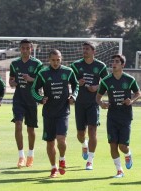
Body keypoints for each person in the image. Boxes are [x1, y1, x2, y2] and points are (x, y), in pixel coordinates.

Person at [31, 49, 79, 178]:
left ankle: (62, 158)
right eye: (53, 60)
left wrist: (73, 96)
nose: (56, 63)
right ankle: (53, 168)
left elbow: (76, 85)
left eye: (58, 60)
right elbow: (34, 89)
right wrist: (40, 98)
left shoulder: (68, 71)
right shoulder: (43, 73)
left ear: (61, 59)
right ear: (49, 60)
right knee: (50, 142)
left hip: (63, 111)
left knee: (61, 139)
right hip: (48, 113)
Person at [96, 54, 140, 178]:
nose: (113, 64)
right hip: (112, 117)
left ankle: (127, 154)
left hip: (125, 117)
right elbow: (98, 97)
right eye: (113, 61)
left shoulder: (129, 79)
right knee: (113, 144)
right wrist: (101, 104)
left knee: (122, 146)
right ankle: (119, 170)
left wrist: (131, 100)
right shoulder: (106, 80)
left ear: (122, 65)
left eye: (116, 62)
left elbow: (138, 93)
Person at [70, 42, 108, 170]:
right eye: (83, 49)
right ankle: (84, 144)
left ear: (93, 51)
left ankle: (90, 161)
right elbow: (69, 82)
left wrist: (97, 87)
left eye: (87, 49)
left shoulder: (100, 66)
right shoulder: (75, 65)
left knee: (92, 130)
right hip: (79, 103)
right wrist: (77, 83)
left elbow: (107, 83)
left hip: (93, 103)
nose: (84, 51)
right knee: (81, 134)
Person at [9, 39, 43, 168]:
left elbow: (41, 81)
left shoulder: (37, 64)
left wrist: (31, 79)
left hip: (32, 99)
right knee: (18, 125)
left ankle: (30, 155)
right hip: (18, 99)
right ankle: (21, 156)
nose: (25, 50)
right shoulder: (14, 64)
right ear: (20, 49)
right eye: (22, 48)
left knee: (30, 129)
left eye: (27, 48)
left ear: (31, 49)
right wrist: (12, 83)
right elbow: (11, 80)